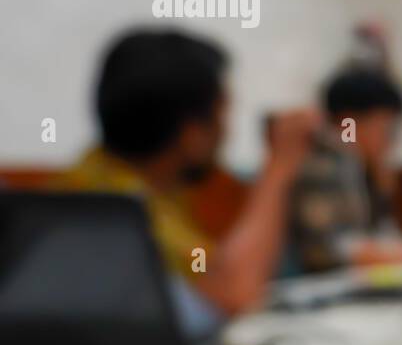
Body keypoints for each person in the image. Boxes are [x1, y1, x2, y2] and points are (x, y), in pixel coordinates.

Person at [56, 29, 319, 327]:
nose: (226, 133)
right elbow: (234, 293)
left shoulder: (96, 172)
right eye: (222, 117)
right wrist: (280, 166)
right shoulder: (121, 207)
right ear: (191, 134)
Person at [287, 66, 402, 273]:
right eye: (387, 129)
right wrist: (400, 253)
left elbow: (377, 233)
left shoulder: (357, 165)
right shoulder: (321, 164)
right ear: (348, 121)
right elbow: (324, 249)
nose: (391, 141)